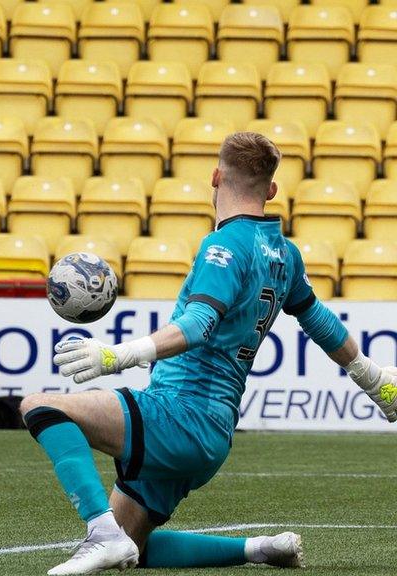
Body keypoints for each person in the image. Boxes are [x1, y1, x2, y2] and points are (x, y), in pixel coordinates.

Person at [21, 132, 397, 575]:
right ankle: (260, 549)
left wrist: (117, 355)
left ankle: (99, 534)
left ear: (215, 177)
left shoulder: (223, 246)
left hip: (181, 413)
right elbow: (318, 320)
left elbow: (199, 326)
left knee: (42, 407)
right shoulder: (284, 253)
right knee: (133, 547)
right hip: (214, 431)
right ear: (272, 190)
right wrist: (374, 379)